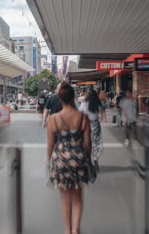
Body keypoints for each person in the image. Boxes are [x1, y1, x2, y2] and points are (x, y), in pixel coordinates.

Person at [46, 82, 95, 234]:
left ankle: (67, 231)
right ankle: (76, 230)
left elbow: (50, 144)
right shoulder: (83, 117)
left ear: (60, 98)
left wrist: (49, 162)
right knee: (78, 197)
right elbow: (88, 144)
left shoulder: (53, 119)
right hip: (79, 160)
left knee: (65, 199)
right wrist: (85, 160)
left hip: (60, 160)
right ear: (74, 96)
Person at [79, 90, 103, 171]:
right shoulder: (98, 104)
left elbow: (80, 113)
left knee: (86, 142)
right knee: (96, 143)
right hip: (95, 124)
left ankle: (87, 161)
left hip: (86, 125)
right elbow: (100, 117)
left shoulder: (84, 103)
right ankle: (95, 160)